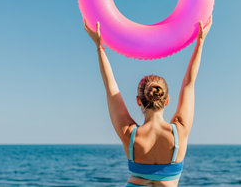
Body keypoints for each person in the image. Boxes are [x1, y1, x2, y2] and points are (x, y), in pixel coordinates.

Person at [84, 16, 212, 187]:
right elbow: (189, 83)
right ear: (166, 100)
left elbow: (111, 88)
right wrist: (200, 41)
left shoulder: (129, 135)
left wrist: (99, 46)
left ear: (139, 101)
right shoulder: (179, 132)